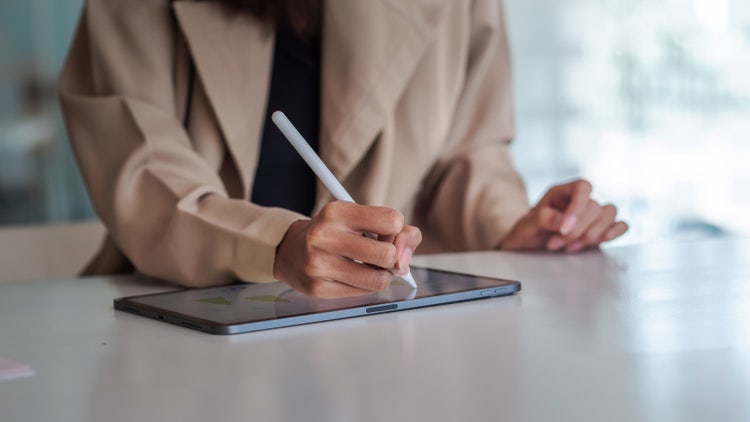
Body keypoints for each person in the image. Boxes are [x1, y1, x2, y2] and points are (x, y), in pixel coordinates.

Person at [59, 0, 627, 298]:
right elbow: (144, 172)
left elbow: (468, 151)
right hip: (178, 307)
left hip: (371, 326)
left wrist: (514, 226)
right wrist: (274, 245)